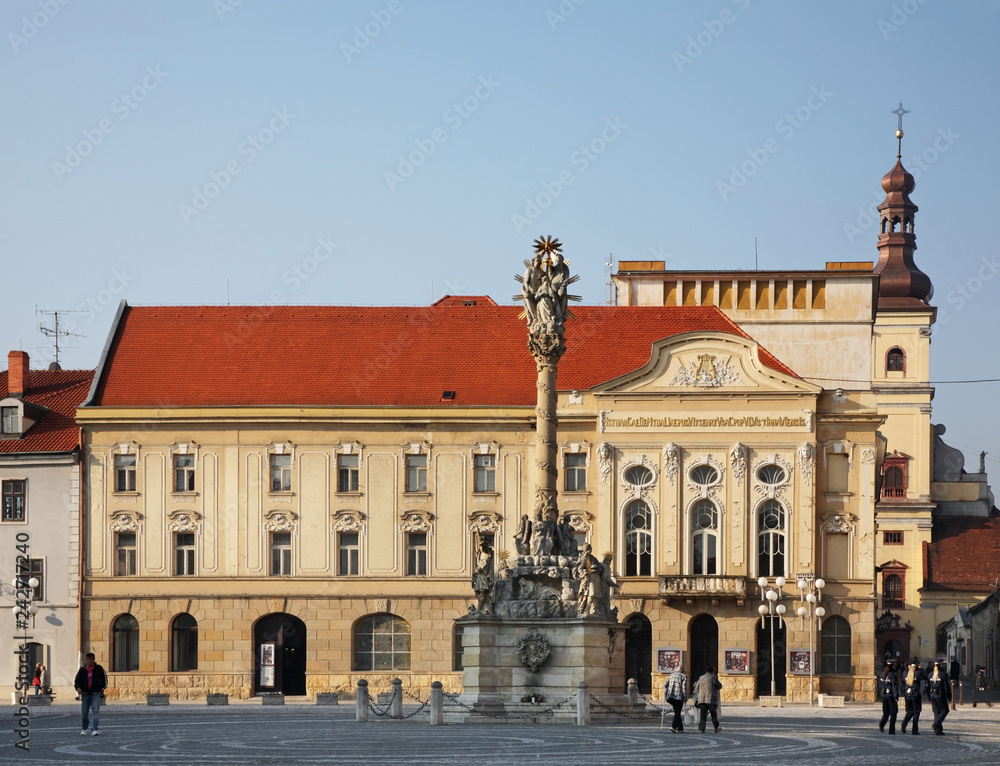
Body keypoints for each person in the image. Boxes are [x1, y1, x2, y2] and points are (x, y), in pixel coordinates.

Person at [74, 652, 108, 736]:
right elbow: (77, 681)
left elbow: (104, 680)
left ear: (93, 660)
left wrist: (101, 689)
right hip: (85, 693)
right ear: (86, 660)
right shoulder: (82, 670)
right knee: (84, 712)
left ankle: (95, 729)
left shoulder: (99, 669)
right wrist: (78, 688)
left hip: (96, 693)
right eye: (87, 659)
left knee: (95, 711)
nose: (89, 661)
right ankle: (84, 728)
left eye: (91, 659)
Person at [900, 658, 926, 734]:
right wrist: (921, 669)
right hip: (915, 695)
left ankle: (904, 723)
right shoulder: (917, 673)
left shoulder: (905, 673)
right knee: (916, 712)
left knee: (909, 712)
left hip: (907, 695)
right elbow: (925, 677)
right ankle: (914, 730)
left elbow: (902, 681)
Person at [694, 666, 722, 733]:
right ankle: (716, 727)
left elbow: (696, 687)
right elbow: (719, 685)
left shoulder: (701, 677)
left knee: (703, 715)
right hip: (711, 699)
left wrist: (701, 693)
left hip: (702, 699)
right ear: (712, 671)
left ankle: (702, 729)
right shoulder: (713, 677)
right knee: (713, 714)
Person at [928, 659, 952, 735]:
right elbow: (946, 686)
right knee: (944, 710)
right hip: (940, 694)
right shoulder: (943, 674)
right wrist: (949, 696)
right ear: (941, 665)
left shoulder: (930, 674)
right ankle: (936, 723)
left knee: (936, 712)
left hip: (932, 694)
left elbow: (927, 686)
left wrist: (929, 696)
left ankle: (938, 730)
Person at [878, 659, 902, 734]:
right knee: (893, 712)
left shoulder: (882, 674)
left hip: (884, 695)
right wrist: (896, 696)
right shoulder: (893, 675)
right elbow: (894, 686)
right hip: (891, 695)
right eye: (894, 665)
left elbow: (880, 685)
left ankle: (882, 724)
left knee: (886, 712)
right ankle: (891, 730)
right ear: (893, 666)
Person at [664, 666, 688, 733]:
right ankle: (673, 726)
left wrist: (666, 694)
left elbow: (665, 684)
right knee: (677, 712)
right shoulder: (683, 676)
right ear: (682, 670)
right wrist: (685, 698)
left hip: (670, 696)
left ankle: (680, 728)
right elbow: (684, 688)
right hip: (678, 696)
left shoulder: (671, 675)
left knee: (677, 711)